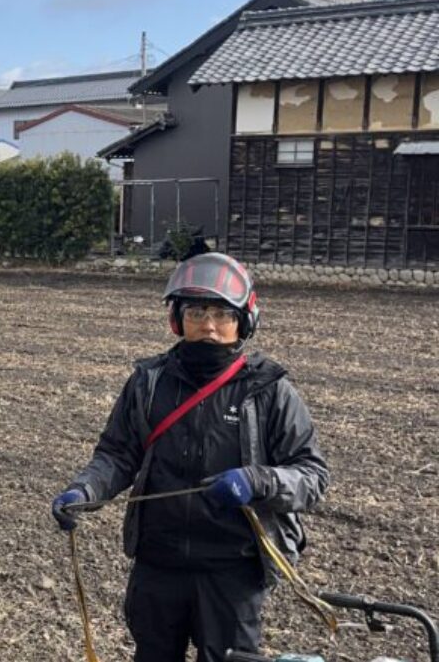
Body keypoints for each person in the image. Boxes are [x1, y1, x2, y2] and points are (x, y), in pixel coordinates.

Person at [50, 252, 329, 662]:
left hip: (232, 570)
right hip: (158, 564)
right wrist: (83, 489)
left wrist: (256, 481)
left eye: (222, 313)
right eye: (197, 311)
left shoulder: (267, 390)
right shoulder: (149, 383)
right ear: (177, 319)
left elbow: (312, 475)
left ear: (244, 321)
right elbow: (117, 454)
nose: (209, 326)